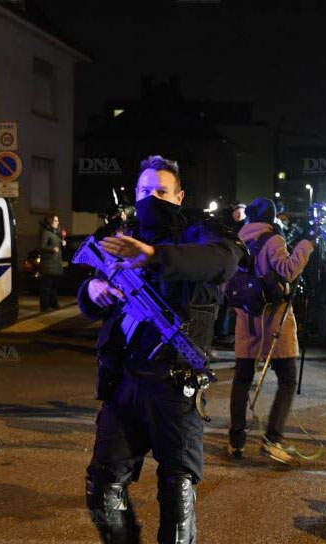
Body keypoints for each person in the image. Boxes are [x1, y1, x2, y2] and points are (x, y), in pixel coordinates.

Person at [77, 155, 242, 543]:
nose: (152, 198)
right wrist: (93, 290)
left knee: (177, 497)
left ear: (180, 196)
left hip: (175, 386)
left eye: (162, 192)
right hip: (124, 384)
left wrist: (154, 257)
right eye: (145, 190)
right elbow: (93, 292)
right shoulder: (123, 236)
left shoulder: (199, 234)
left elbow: (227, 259)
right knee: (102, 490)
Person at [228, 197, 314, 465]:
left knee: (242, 379)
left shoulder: (236, 240)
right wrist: (306, 244)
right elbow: (288, 271)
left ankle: (236, 439)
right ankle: (272, 439)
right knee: (287, 379)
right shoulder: (273, 239)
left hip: (245, 317)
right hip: (273, 319)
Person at [38, 214, 64, 311]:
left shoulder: (56, 234)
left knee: (54, 287)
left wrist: (62, 244)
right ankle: (44, 306)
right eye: (55, 221)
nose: (58, 222)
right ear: (50, 222)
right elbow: (41, 247)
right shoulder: (45, 233)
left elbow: (58, 247)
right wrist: (52, 249)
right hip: (48, 266)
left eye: (58, 221)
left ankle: (53, 304)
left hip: (56, 265)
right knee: (46, 287)